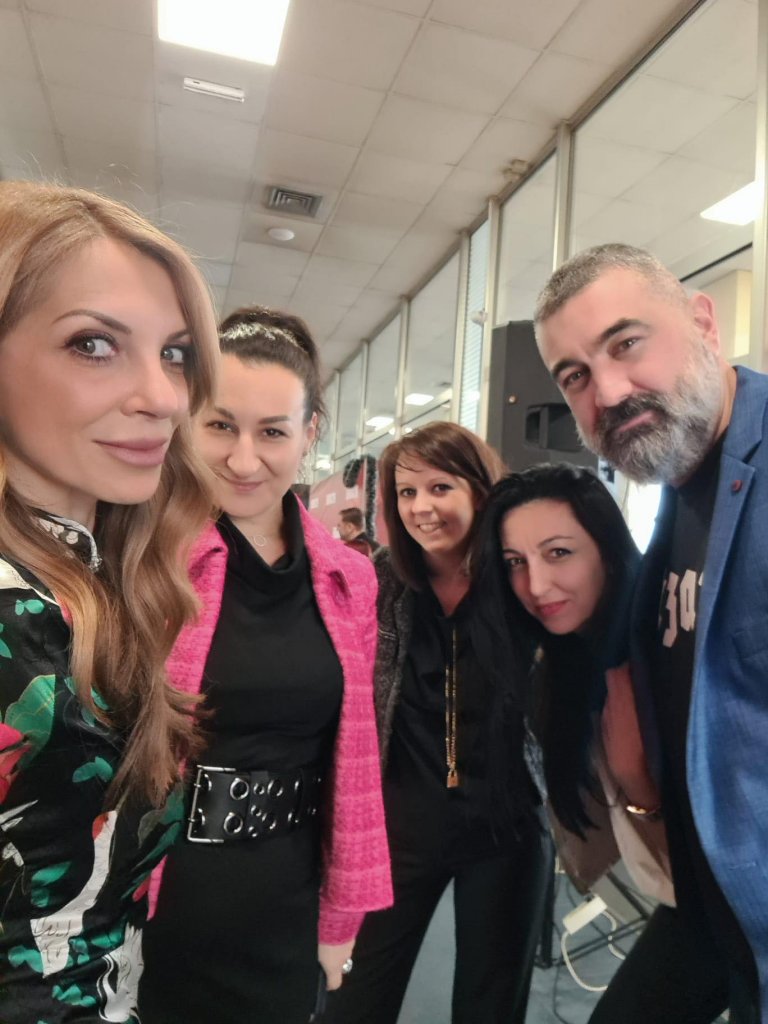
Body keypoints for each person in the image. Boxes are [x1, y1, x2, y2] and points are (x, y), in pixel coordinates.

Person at [0, 181, 219, 1022]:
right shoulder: (14, 616)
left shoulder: (91, 581)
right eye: (94, 344)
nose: (163, 397)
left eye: (175, 354)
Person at [139, 306, 392, 1024]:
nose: (244, 460)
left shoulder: (349, 577)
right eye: (221, 425)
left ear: (310, 433)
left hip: (285, 895)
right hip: (162, 892)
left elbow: (354, 756)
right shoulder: (146, 554)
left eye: (273, 432)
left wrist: (341, 917)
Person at [534, 243, 765, 1023]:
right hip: (705, 904)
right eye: (575, 376)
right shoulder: (683, 485)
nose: (608, 391)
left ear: (703, 322)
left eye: (626, 344)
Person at [477, 462, 734, 1024]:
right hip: (690, 899)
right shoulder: (563, 662)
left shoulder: (670, 649)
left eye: (559, 553)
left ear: (608, 551)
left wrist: (641, 787)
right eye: (516, 562)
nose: (536, 586)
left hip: (734, 898)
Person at [326, 421, 553, 1024]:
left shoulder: (522, 581)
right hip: (399, 827)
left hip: (507, 826)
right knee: (353, 1000)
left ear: (480, 490)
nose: (421, 508)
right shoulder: (380, 583)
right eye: (406, 493)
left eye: (440, 488)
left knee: (489, 1006)